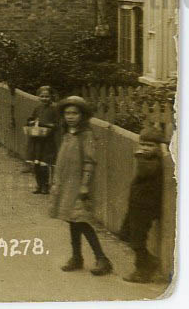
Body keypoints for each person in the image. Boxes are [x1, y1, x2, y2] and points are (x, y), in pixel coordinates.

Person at [50, 96, 112, 276]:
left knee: (82, 221)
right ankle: (76, 257)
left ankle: (102, 259)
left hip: (80, 185)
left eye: (75, 113)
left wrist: (84, 185)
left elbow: (89, 162)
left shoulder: (86, 135)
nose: (70, 116)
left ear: (82, 115)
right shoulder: (68, 133)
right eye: (67, 113)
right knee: (72, 220)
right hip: (67, 183)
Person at [118, 125, 167, 283]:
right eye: (143, 145)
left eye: (150, 146)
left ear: (159, 148)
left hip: (145, 208)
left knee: (137, 240)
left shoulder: (154, 162)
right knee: (125, 234)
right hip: (136, 205)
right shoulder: (148, 159)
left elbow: (145, 172)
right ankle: (149, 261)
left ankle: (142, 270)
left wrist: (140, 156)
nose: (145, 148)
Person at [25, 86, 59, 194]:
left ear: (51, 97)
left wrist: (45, 125)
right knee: (36, 164)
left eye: (47, 96)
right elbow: (31, 119)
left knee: (44, 164)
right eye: (42, 96)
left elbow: (56, 125)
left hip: (47, 141)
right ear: (38, 97)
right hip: (36, 140)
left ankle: (45, 185)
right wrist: (30, 122)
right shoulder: (37, 108)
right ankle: (39, 185)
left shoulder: (54, 110)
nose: (44, 98)